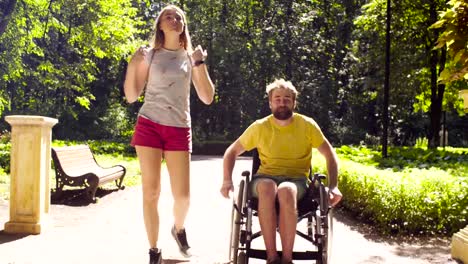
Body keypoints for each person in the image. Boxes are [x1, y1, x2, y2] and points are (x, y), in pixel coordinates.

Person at [123, 4, 215, 264]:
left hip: (178, 127)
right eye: (168, 17)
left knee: (183, 196)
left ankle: (179, 228)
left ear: (183, 26)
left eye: (178, 17)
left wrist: (199, 62)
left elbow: (207, 97)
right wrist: (133, 64)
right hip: (149, 124)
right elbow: (131, 96)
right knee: (151, 192)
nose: (174, 19)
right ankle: (154, 250)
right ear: (160, 25)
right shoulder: (149, 55)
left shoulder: (190, 57)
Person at [221, 79, 342, 264]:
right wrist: (226, 180)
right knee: (268, 186)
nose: (282, 102)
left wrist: (333, 186)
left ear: (294, 102)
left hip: (297, 181)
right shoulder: (260, 127)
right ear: (270, 103)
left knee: (287, 189)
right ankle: (272, 257)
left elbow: (330, 154)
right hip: (264, 179)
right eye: (277, 98)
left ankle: (287, 259)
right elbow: (231, 152)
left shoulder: (307, 125)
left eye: (287, 99)